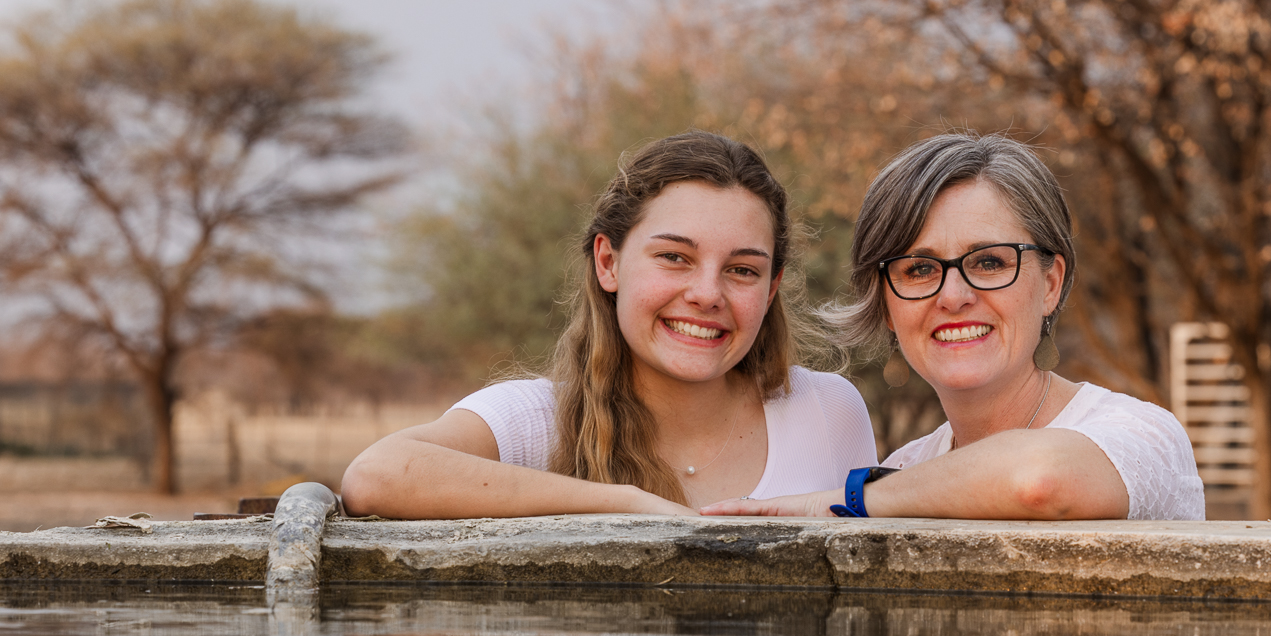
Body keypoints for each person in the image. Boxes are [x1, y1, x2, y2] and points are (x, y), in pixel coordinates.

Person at [341, 131, 876, 518]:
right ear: (608, 262)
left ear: (772, 287)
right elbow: (376, 476)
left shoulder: (828, 411)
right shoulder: (533, 420)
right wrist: (626, 505)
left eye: (742, 270)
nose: (707, 294)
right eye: (674, 258)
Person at [701, 132, 1204, 522]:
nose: (954, 296)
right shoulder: (906, 472)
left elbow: (1038, 481)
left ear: (1051, 283)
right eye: (918, 269)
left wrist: (844, 500)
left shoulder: (1142, 436)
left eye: (988, 262)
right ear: (886, 303)